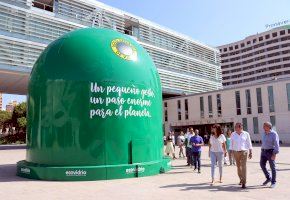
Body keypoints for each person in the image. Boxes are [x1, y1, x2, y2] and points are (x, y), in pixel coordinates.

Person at [231, 122, 253, 189]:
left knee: (243, 167)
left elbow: (249, 143)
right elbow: (232, 143)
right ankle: (241, 178)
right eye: (235, 127)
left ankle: (244, 182)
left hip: (244, 152)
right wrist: (231, 152)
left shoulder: (246, 134)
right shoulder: (233, 134)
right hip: (236, 152)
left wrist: (250, 152)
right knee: (238, 167)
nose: (235, 128)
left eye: (237, 126)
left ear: (241, 127)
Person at [260, 122, 280, 188]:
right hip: (263, 151)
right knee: (262, 165)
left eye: (264, 126)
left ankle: (273, 182)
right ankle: (268, 178)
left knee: (272, 167)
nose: (263, 127)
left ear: (269, 126)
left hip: (270, 152)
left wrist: (274, 154)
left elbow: (277, 145)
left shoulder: (274, 134)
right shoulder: (263, 133)